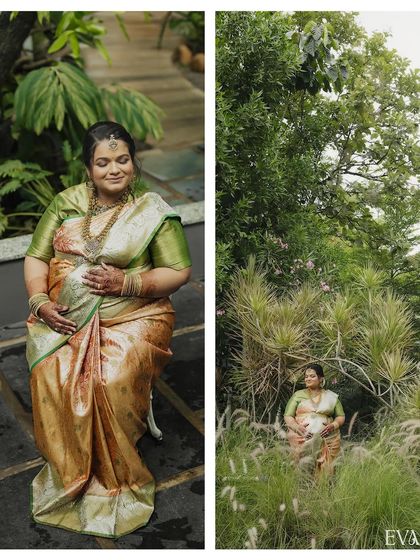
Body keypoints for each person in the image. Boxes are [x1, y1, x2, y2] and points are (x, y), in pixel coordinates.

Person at [24, 121, 192, 538]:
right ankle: (70, 470)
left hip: (136, 314)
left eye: (122, 160)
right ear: (88, 168)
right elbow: (36, 258)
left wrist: (127, 282)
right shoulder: (66, 203)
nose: (114, 169)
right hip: (63, 319)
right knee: (52, 374)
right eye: (103, 162)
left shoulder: (152, 211)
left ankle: (114, 477)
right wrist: (40, 301)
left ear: (134, 164)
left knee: (108, 378)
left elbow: (179, 271)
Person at [284, 364, 345, 475]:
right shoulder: (298, 395)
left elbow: (341, 417)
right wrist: (297, 427)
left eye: (312, 376)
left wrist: (333, 426)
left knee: (327, 472)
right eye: (306, 376)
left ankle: (323, 489)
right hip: (301, 437)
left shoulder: (331, 397)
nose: (308, 379)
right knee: (302, 470)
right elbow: (288, 416)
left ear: (321, 378)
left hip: (328, 439)